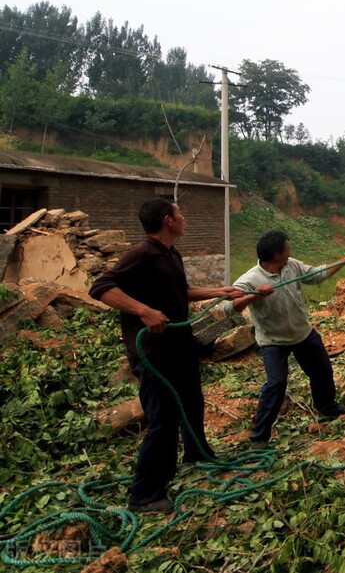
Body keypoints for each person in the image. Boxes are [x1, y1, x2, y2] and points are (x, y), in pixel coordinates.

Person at [89, 198, 243, 514]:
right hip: (153, 354)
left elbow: (180, 291)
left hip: (179, 346)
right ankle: (144, 495)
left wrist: (219, 291)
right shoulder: (141, 254)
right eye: (179, 213)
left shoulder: (171, 253)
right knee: (163, 419)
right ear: (167, 220)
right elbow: (101, 287)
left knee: (192, 401)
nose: (183, 217)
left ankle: (197, 454)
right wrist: (144, 311)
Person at [222, 231, 345, 445]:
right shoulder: (250, 280)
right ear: (276, 255)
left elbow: (316, 275)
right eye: (287, 248)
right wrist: (255, 296)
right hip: (273, 341)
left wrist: (344, 261)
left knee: (322, 369)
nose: (290, 252)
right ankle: (259, 437)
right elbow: (228, 308)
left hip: (302, 333)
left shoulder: (291, 266)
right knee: (276, 383)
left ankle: (326, 406)